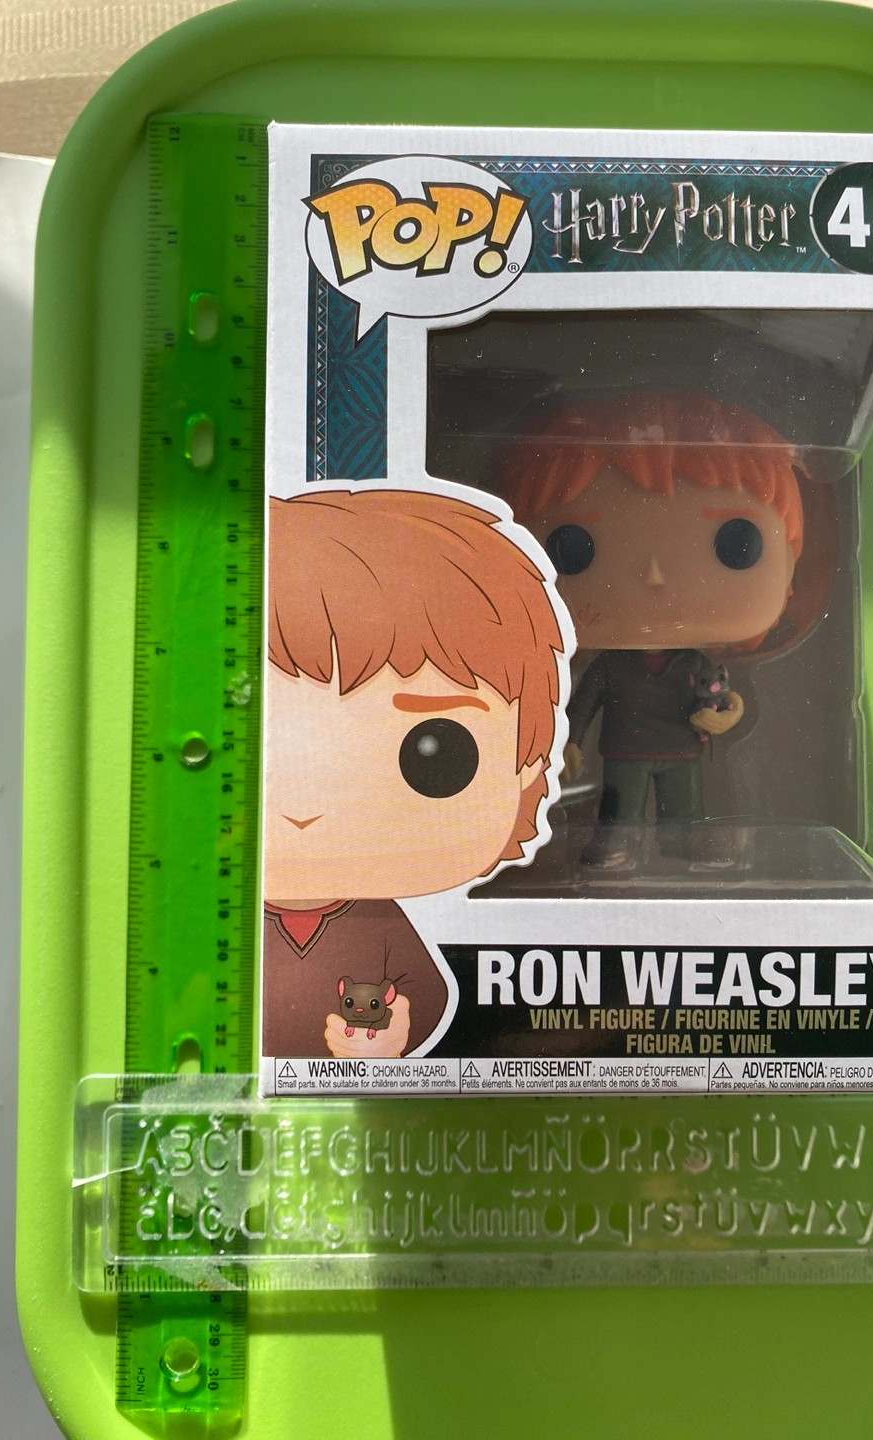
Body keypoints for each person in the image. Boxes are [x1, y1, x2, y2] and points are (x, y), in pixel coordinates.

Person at [263, 486, 566, 1056]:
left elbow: (423, 993)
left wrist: (395, 1036)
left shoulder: (376, 919)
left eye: (434, 752)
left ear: (526, 767)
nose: (305, 807)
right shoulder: (220, 912)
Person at [502, 394, 806, 869]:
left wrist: (730, 713)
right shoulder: (611, 665)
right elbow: (582, 702)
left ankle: (684, 844)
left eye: (735, 545)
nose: (655, 576)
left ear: (790, 563)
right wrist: (569, 740)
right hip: (625, 749)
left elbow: (724, 697)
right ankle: (611, 845)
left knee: (684, 806)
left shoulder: (695, 662)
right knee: (620, 804)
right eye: (573, 548)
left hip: (681, 747)